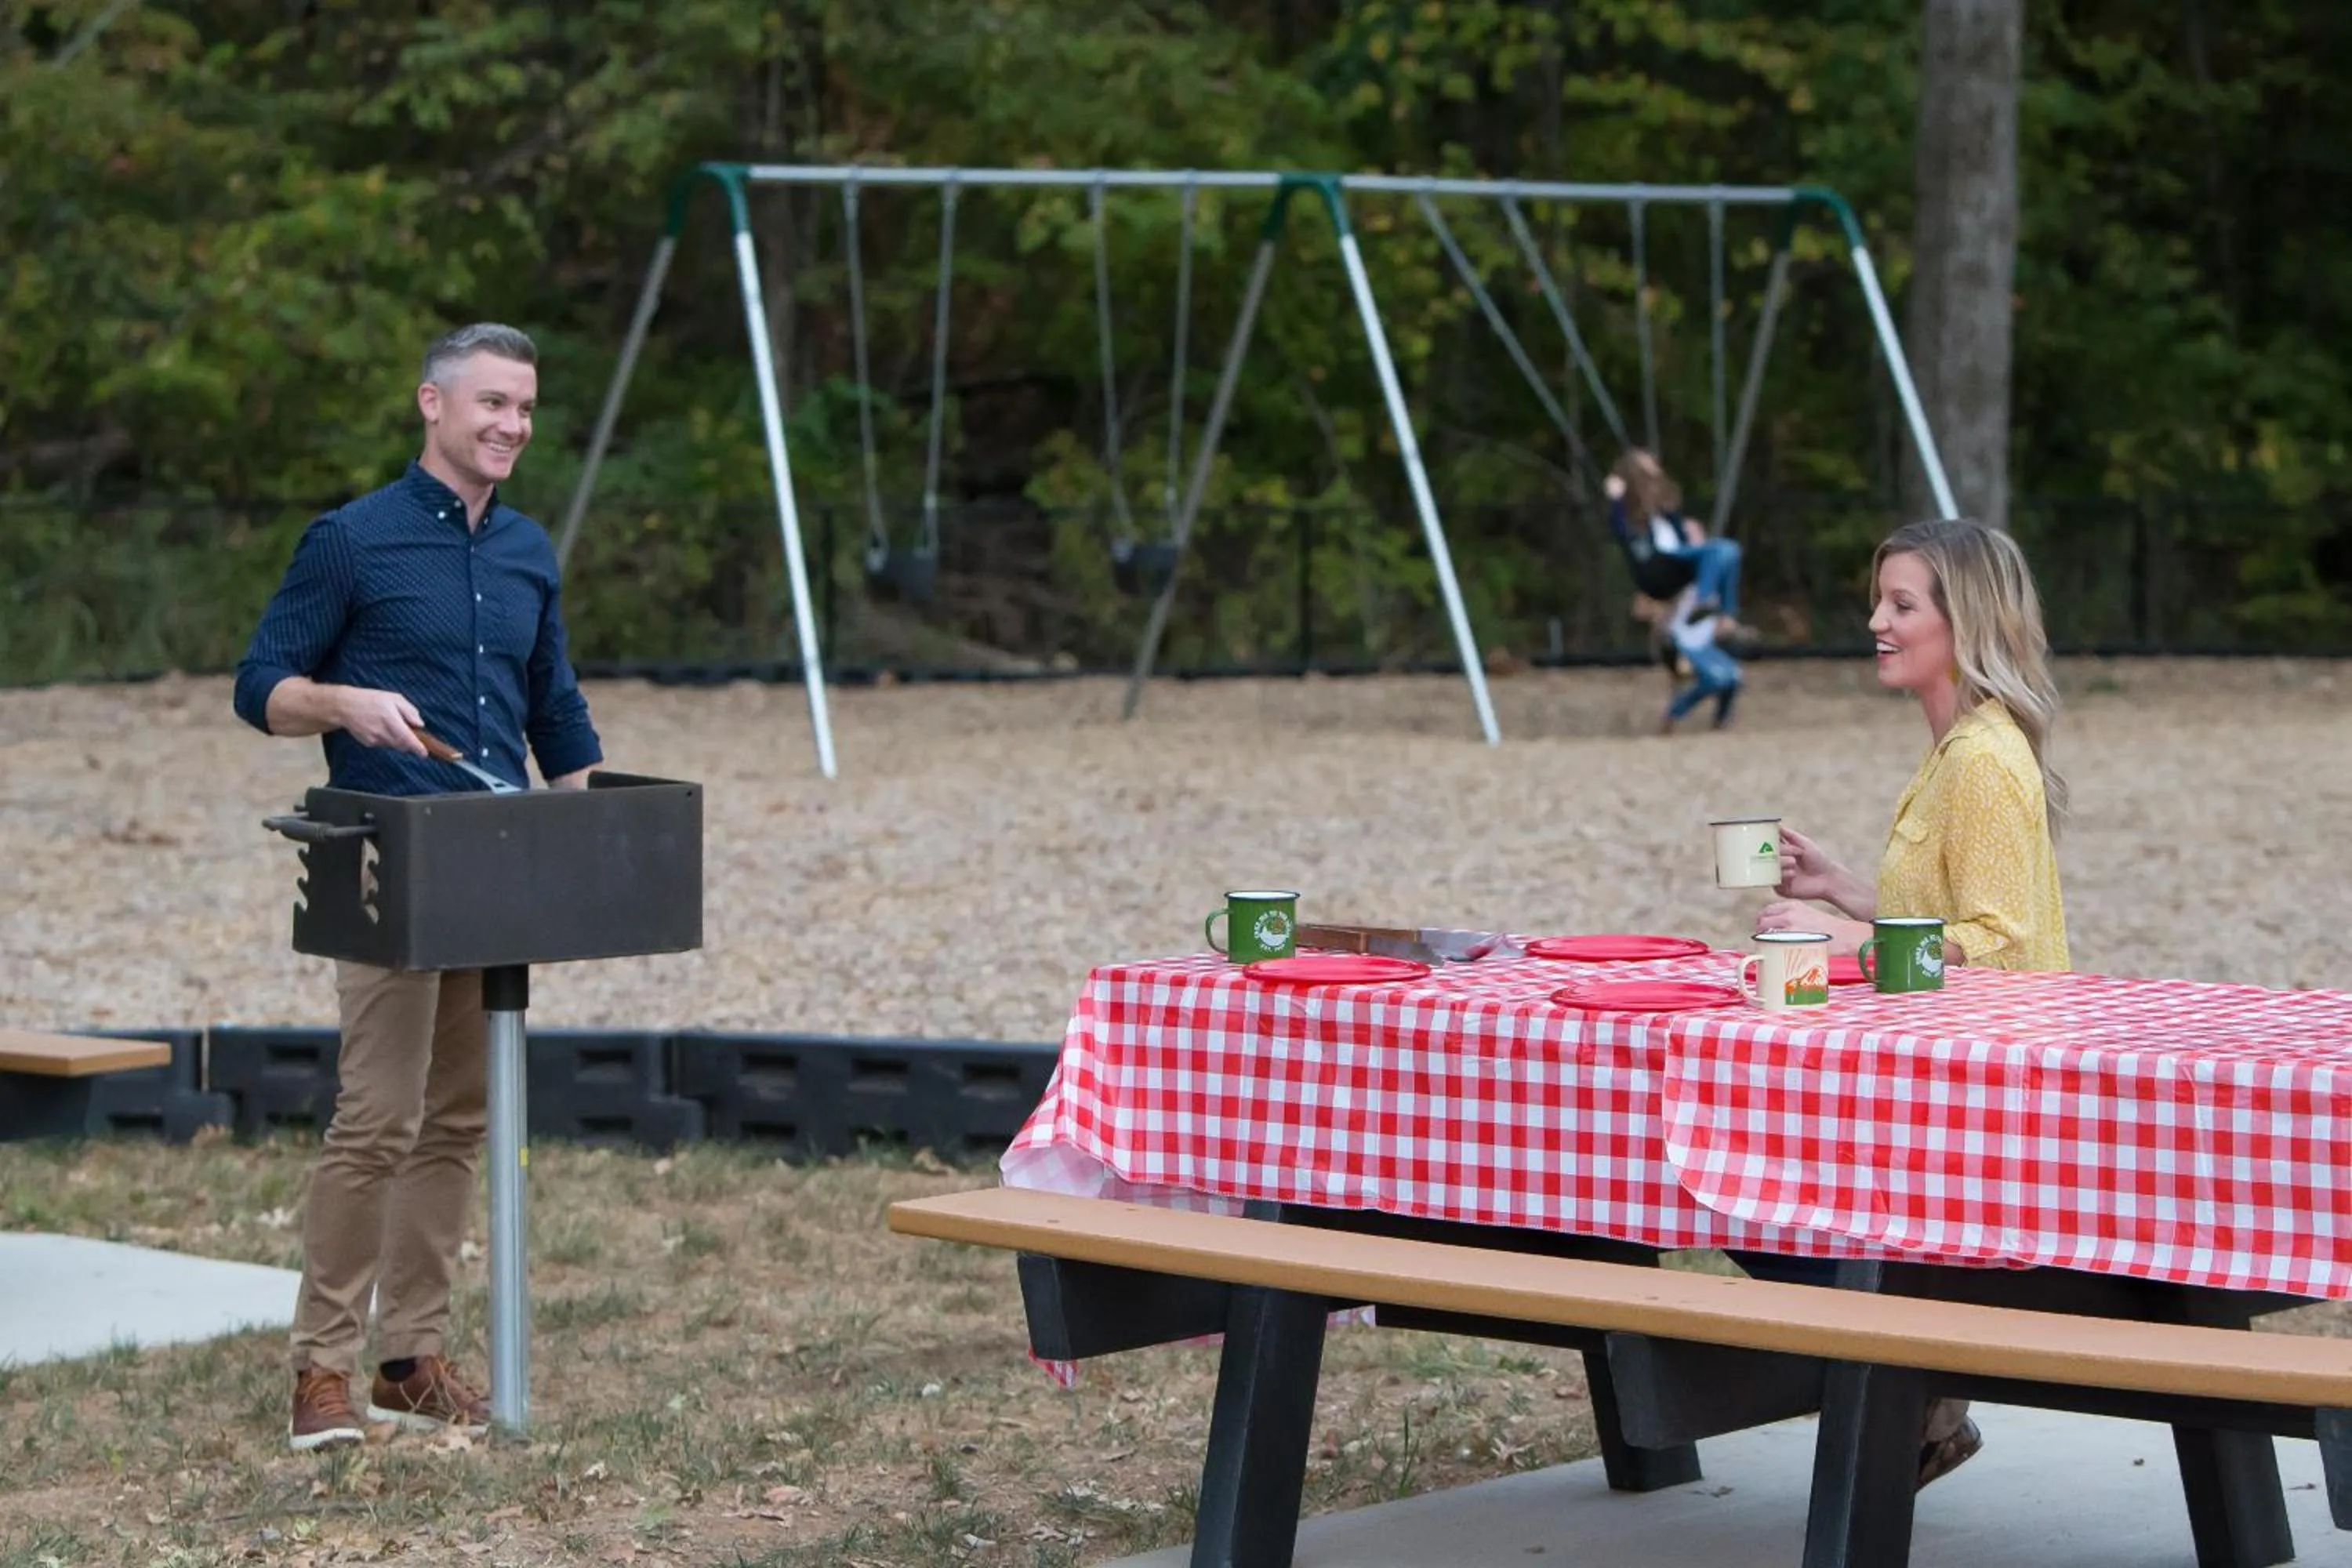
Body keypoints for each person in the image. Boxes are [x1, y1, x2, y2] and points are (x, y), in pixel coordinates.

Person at [233, 323, 604, 1452]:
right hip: (390, 864)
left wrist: (599, 826)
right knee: (378, 1119)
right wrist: (344, 704)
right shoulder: (351, 541)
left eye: (527, 409)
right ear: (432, 406)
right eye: (492, 403)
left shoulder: (530, 551)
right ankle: (321, 1371)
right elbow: (261, 687)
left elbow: (556, 712)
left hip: (495, 867)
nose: (512, 427)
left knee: (456, 1120)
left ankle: (410, 1357)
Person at [1747, 514, 2070, 1487]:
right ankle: (1914, 1389)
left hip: (1983, 1104)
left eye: (1903, 604)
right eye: (1878, 600)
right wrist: (1847, 890)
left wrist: (1846, 946)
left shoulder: (1981, 760)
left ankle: (1914, 1384)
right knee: (1756, 1165)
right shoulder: (1952, 749)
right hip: (1934, 1082)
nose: (1876, 620)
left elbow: (2003, 950)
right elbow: (1951, 917)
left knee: (1757, 1181)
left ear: (1962, 623)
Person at [1605, 447, 1753, 642]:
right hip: (1656, 568)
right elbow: (1622, 532)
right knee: (1722, 549)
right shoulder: (1627, 513)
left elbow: (1681, 535)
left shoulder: (1665, 508)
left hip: (1679, 564)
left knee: (1729, 551)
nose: (1653, 463)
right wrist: (1616, 499)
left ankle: (1725, 617)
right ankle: (1705, 603)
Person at [1650, 582, 1741, 734]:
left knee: (1734, 676)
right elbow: (1652, 612)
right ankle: (1673, 713)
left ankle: (1721, 719)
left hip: (1705, 644)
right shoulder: (1682, 586)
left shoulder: (1721, 586)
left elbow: (1724, 623)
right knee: (1714, 680)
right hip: (1682, 643)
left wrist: (1729, 628)